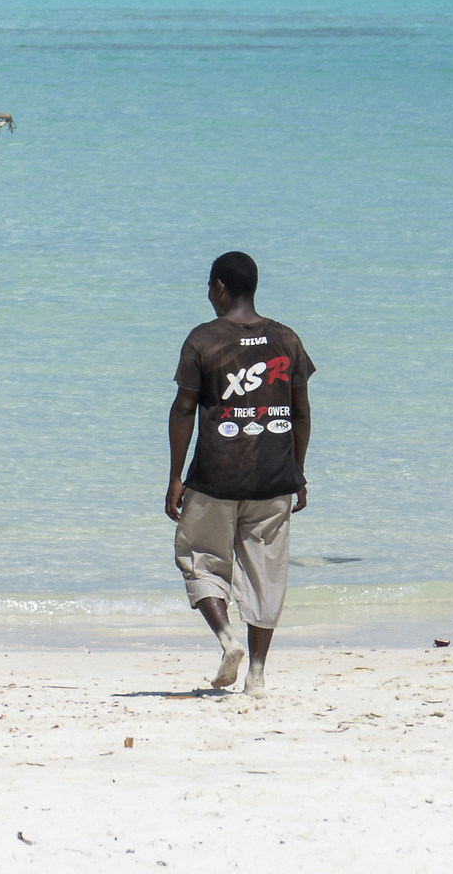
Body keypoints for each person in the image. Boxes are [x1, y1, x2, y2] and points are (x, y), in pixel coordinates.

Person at [165, 251, 313, 695]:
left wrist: (176, 476)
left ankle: (228, 641)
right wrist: (298, 472)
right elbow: (301, 413)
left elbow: (184, 408)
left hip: (215, 477)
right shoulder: (286, 339)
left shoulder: (203, 340)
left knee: (201, 559)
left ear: (220, 288)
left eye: (209, 287)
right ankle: (257, 675)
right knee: (266, 575)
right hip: (274, 478)